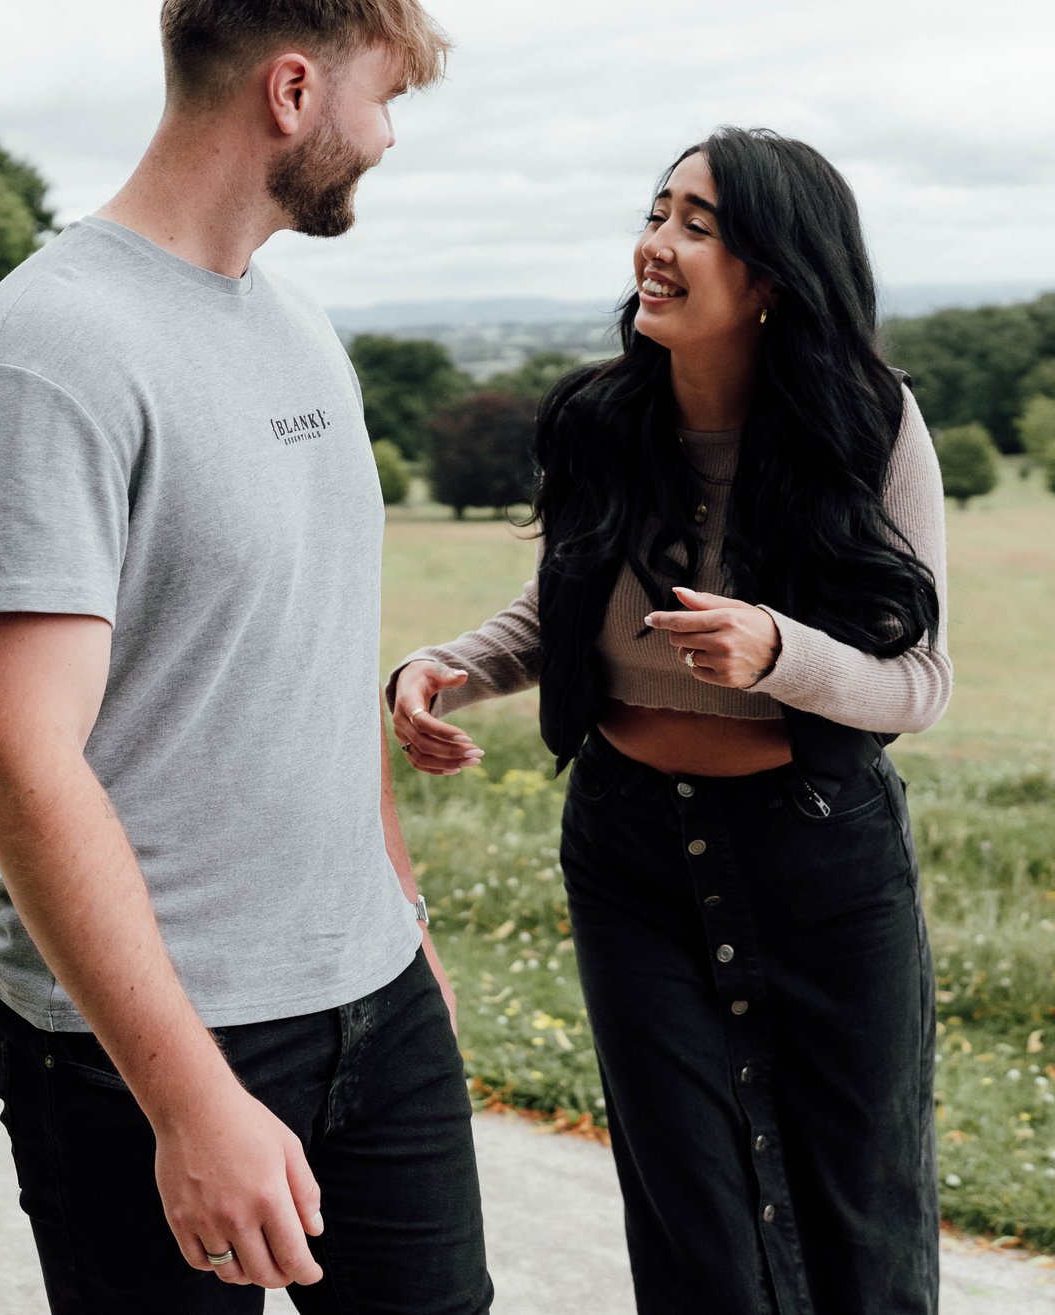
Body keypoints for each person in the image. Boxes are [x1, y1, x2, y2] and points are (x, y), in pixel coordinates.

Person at [0, 0, 492, 1313]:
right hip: (152, 1046)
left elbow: (314, 649)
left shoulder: (296, 327)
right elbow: (17, 755)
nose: (388, 138)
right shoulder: (50, 352)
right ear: (293, 88)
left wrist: (399, 921)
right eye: (383, 94)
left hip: (371, 992)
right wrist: (189, 1099)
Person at [390, 127, 953, 1314]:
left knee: (862, 1205)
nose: (657, 243)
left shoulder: (871, 426)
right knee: (692, 1216)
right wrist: (442, 666)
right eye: (657, 212)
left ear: (774, 277)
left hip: (820, 857)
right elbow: (556, 610)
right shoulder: (603, 420)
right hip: (630, 849)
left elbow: (919, 682)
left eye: (698, 225)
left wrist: (779, 652)